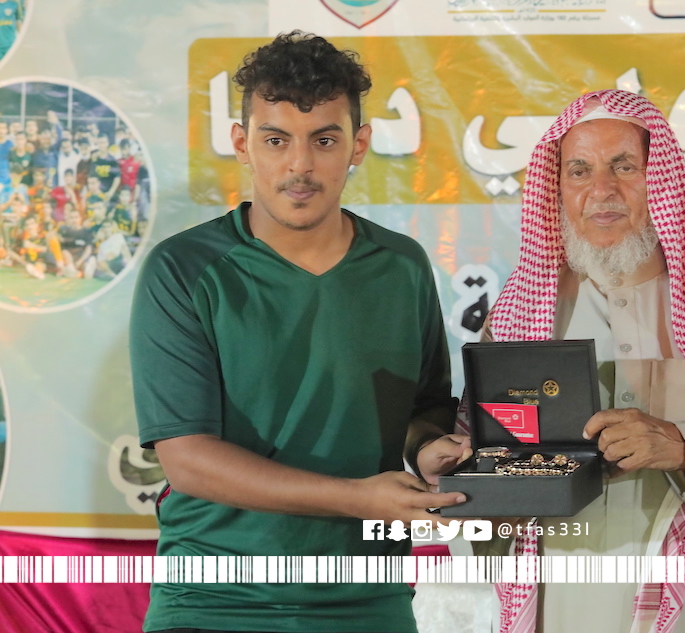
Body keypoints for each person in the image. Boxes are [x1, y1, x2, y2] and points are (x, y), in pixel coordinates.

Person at [130, 31, 471, 633]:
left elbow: (422, 409)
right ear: (242, 144)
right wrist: (358, 498)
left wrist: (429, 451)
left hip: (370, 600)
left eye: (324, 140)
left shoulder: (403, 266)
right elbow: (189, 462)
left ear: (358, 144)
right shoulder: (183, 269)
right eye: (276, 140)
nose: (300, 165)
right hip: (214, 600)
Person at [467, 90, 685, 633]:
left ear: (660, 178)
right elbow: (487, 453)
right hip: (574, 594)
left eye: (624, 167)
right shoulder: (523, 308)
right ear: (556, 187)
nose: (601, 191)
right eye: (579, 171)